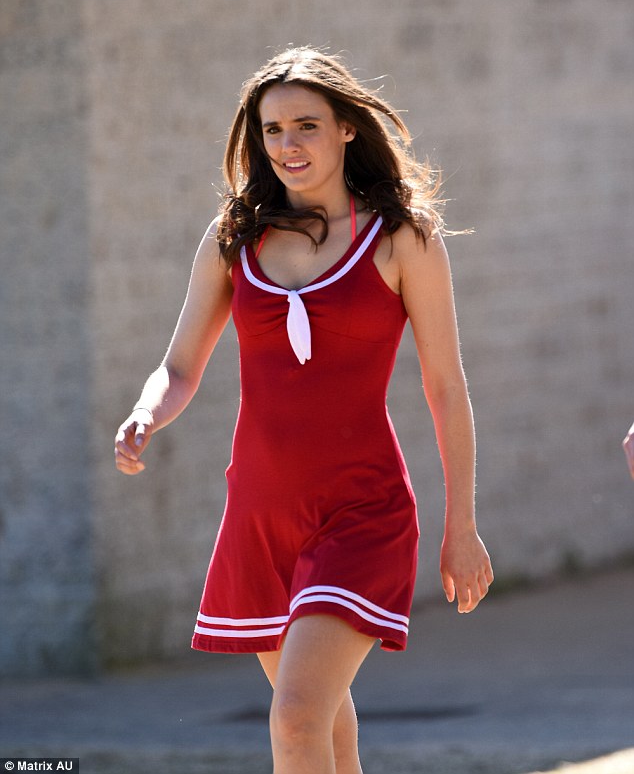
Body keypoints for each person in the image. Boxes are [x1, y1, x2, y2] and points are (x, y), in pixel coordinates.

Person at [115, 47, 494, 774]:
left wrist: (462, 527)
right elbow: (180, 366)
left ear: (347, 127)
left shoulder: (403, 237)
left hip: (362, 511)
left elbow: (446, 386)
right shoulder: (234, 237)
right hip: (259, 517)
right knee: (323, 722)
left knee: (295, 717)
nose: (288, 144)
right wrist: (145, 413)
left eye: (307, 125)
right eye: (273, 129)